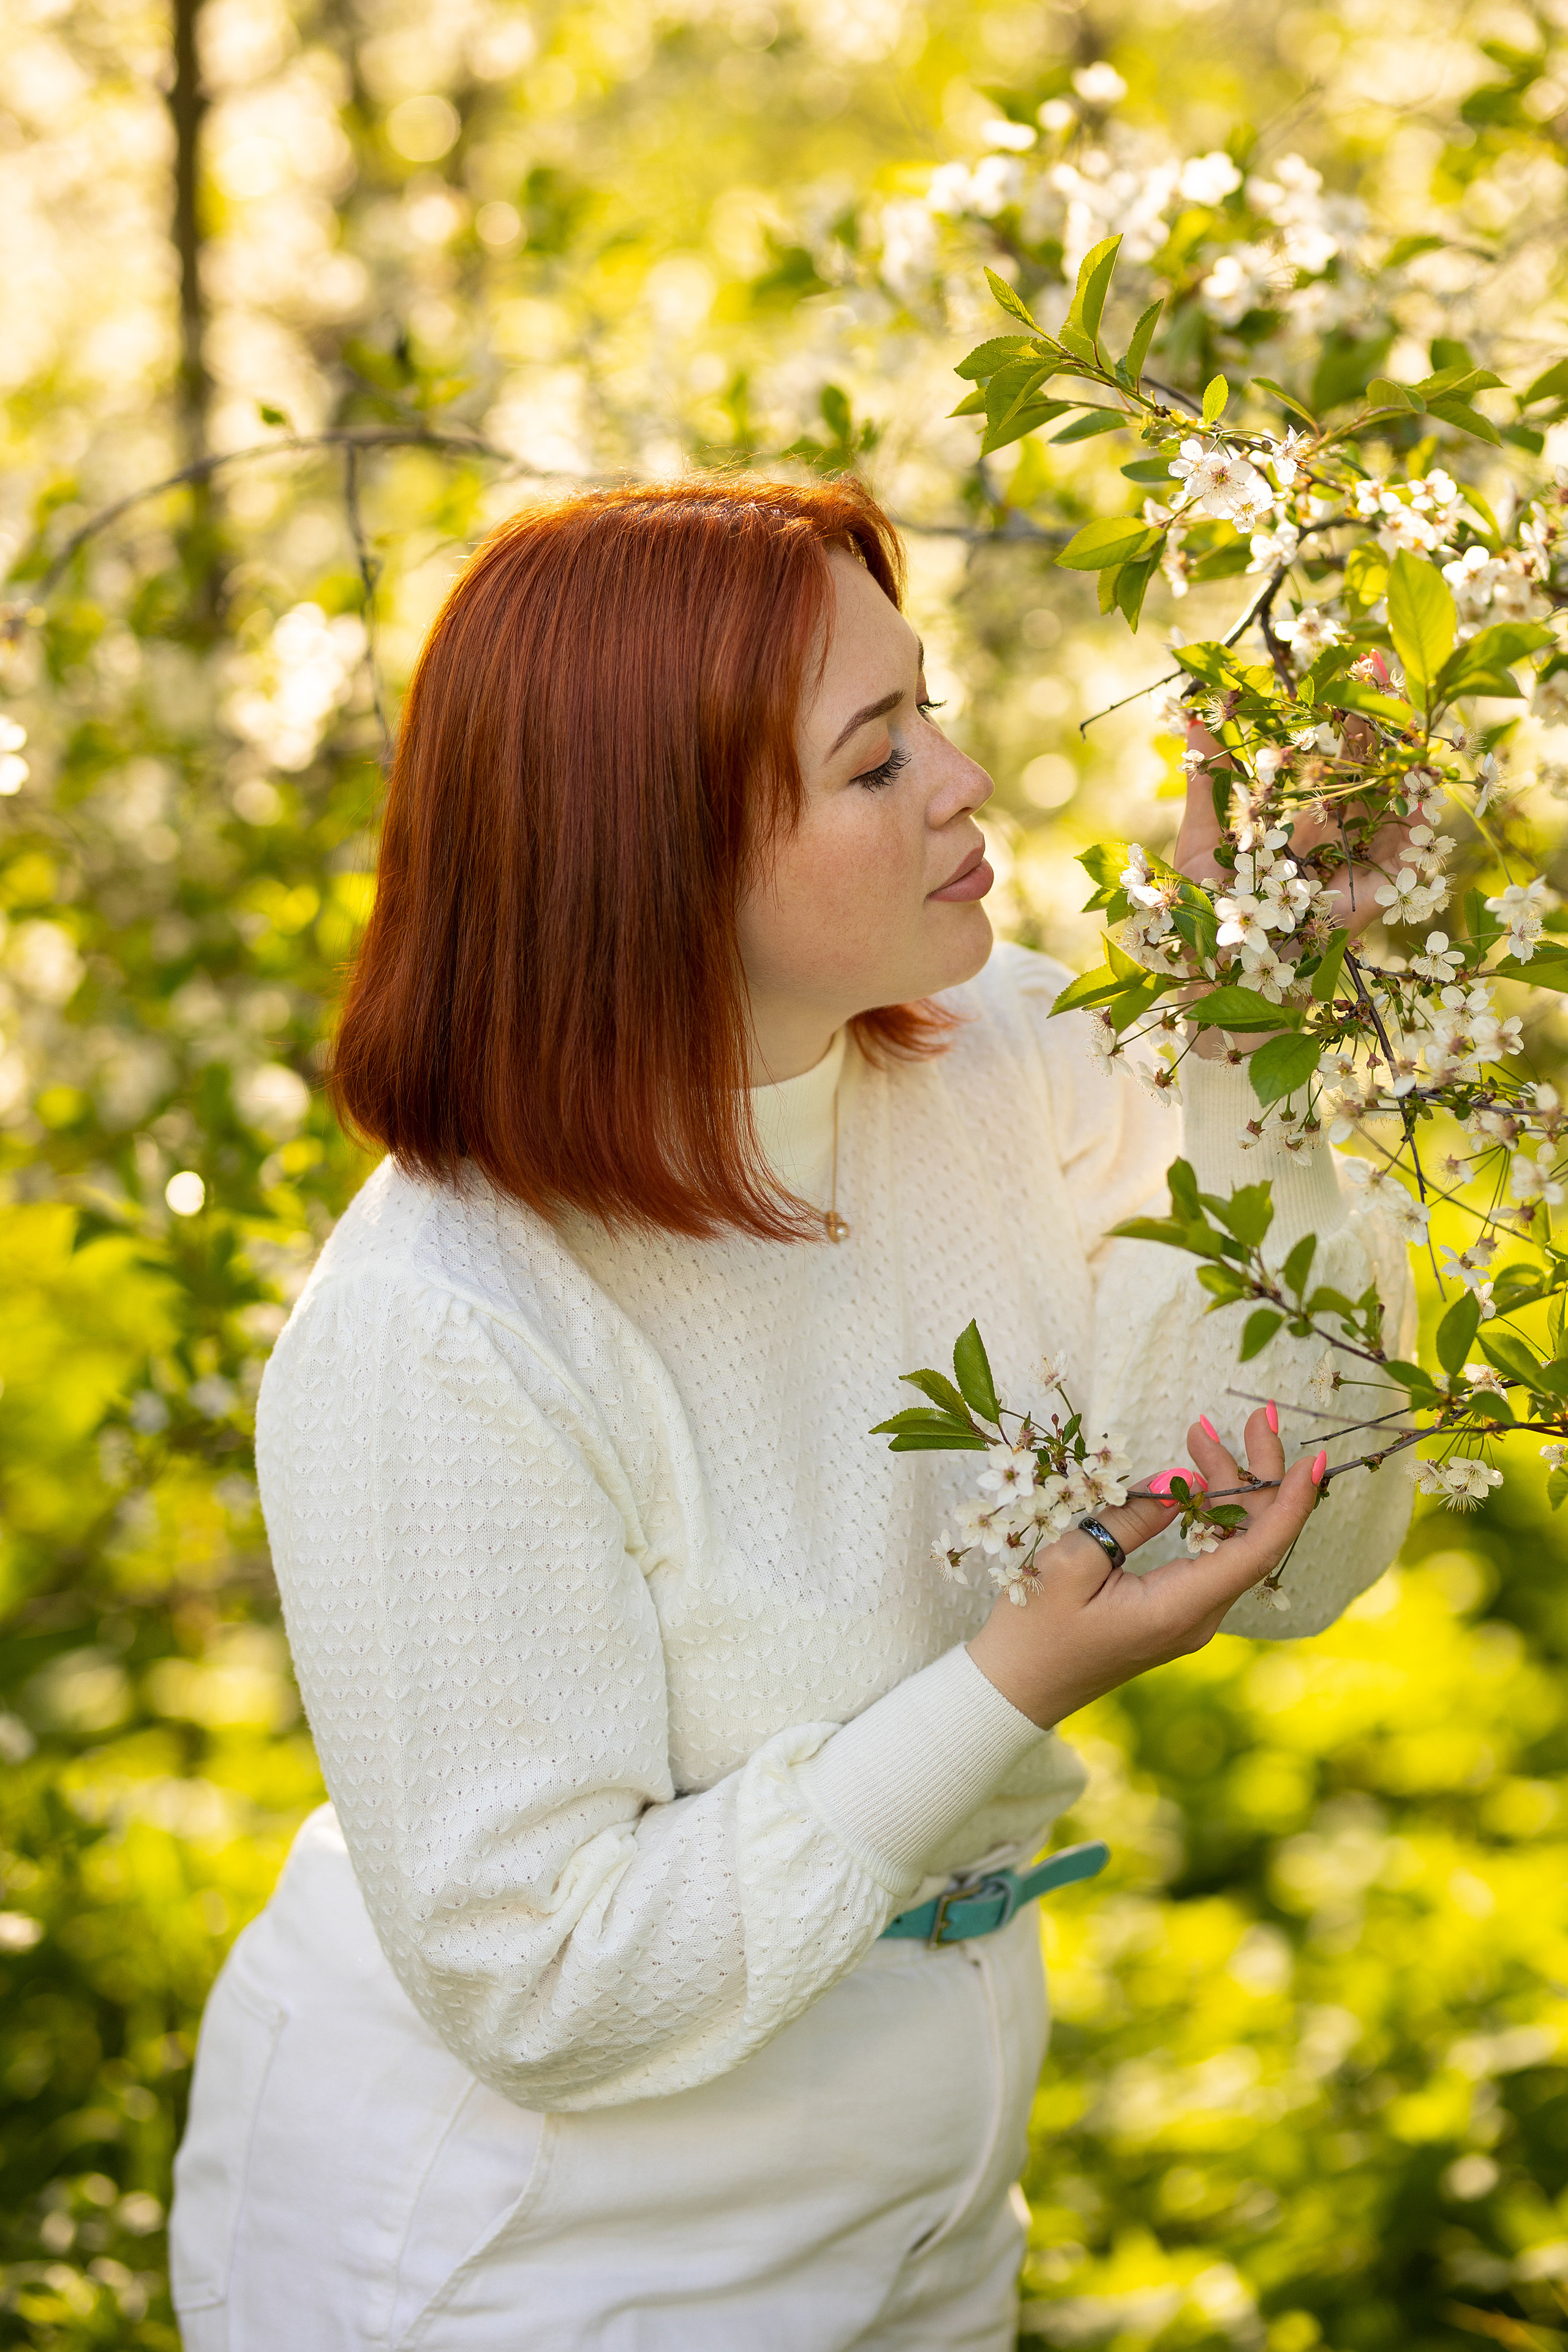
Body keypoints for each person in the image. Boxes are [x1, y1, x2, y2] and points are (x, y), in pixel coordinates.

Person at [168, 475, 1412, 2351]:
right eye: (875, 755)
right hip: (533, 2244)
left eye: (932, 709)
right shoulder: (446, 1321)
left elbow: (1294, 1553)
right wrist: (1000, 1687)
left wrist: (1256, 1026)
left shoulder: (992, 1060)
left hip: (929, 2173)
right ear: (654, 854)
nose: (966, 780)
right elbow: (541, 1982)